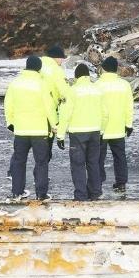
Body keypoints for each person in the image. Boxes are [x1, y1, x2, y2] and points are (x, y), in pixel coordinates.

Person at [3, 56, 58, 201]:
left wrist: (11, 122)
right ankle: (41, 194)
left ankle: (17, 192)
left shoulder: (15, 83)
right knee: (41, 162)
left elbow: (8, 104)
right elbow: (49, 107)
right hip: (39, 131)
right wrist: (54, 125)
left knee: (19, 161)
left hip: (21, 130)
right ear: (39, 68)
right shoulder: (42, 84)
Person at [57, 64, 107, 201]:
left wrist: (60, 135)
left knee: (78, 165)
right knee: (93, 163)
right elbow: (105, 114)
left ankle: (81, 195)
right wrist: (102, 131)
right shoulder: (97, 90)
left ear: (76, 76)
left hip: (78, 133)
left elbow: (65, 114)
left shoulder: (72, 91)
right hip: (95, 132)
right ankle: (95, 192)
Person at [97, 56, 134, 192]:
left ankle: (98, 181)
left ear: (104, 69)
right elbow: (129, 107)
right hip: (118, 128)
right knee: (119, 156)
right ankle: (121, 182)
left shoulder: (97, 85)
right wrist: (129, 124)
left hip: (102, 129)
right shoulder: (124, 85)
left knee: (98, 157)